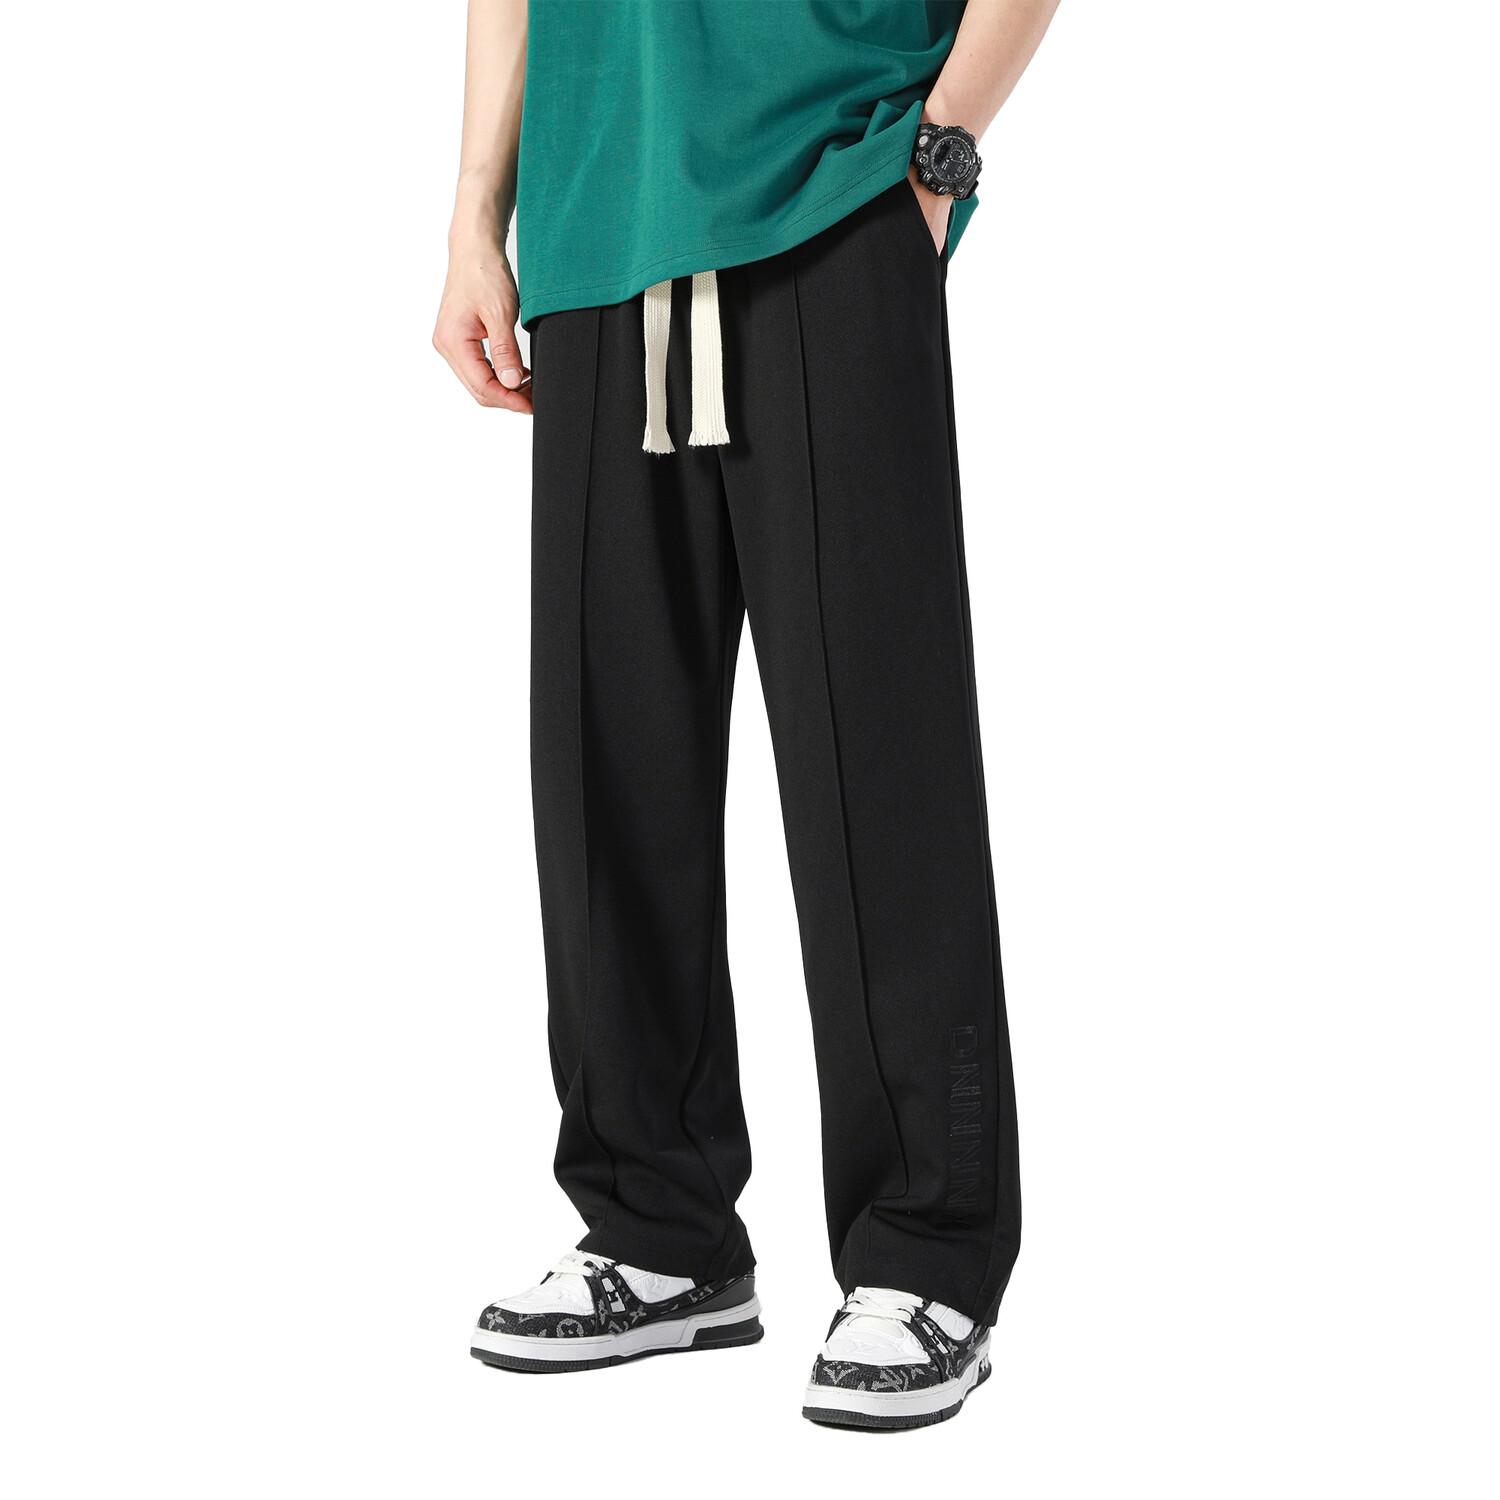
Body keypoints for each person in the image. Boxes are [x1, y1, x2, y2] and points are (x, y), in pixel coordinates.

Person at [434, 0, 1060, 1430]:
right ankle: (657, 1229)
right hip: (596, 223)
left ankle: (925, 1250)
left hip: (832, 193)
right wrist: (477, 209)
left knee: (874, 753)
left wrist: (939, 154)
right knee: (607, 761)